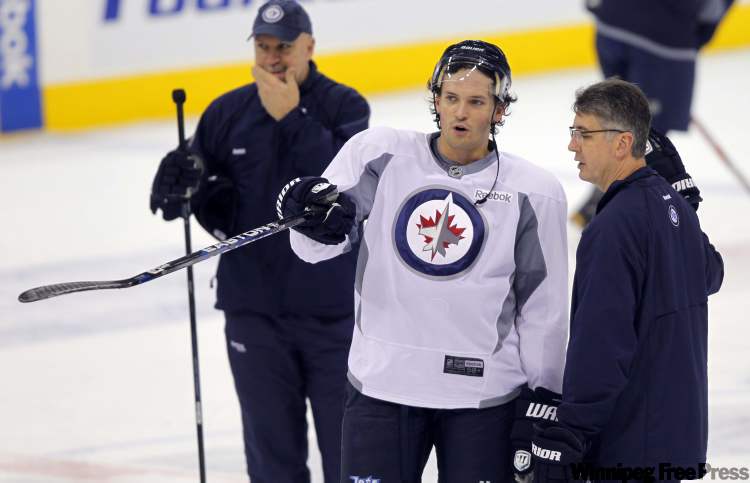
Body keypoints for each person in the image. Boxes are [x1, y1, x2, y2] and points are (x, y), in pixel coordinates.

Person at [277, 40, 569, 482]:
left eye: (476, 102)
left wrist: (544, 397)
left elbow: (544, 310)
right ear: (436, 100)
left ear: (499, 110)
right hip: (382, 386)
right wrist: (309, 219)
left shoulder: (534, 191)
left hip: (484, 397)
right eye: (451, 98)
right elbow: (312, 249)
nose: (460, 113)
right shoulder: (381, 154)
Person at [148, 1, 370, 481]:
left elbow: (346, 189)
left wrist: (291, 118)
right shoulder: (226, 112)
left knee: (349, 457)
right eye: (263, 46)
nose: (272, 58)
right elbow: (201, 194)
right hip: (253, 313)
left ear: (309, 47)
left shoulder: (345, 107)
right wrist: (178, 188)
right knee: (271, 463)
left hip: (333, 317)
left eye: (283, 47)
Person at [531, 79, 724, 482]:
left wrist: (572, 429)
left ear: (622, 143)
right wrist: (684, 202)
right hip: (678, 439)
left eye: (584, 134)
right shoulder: (671, 205)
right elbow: (710, 273)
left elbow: (602, 343)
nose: (572, 146)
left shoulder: (612, 228)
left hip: (628, 446)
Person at [572, 0, 735, 227]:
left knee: (621, 115)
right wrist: (687, 45)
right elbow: (711, 9)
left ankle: (603, 200)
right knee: (645, 131)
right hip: (660, 40)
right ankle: (614, 206)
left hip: (610, 25)